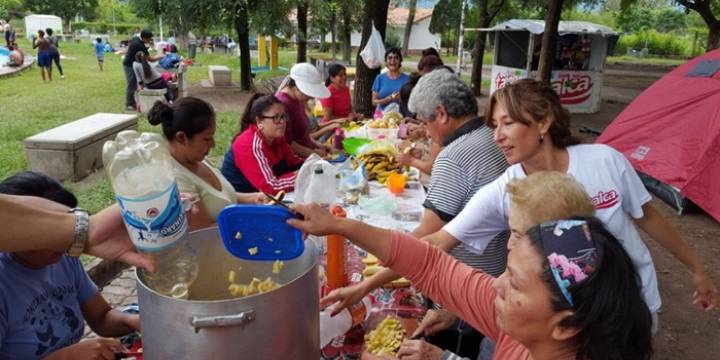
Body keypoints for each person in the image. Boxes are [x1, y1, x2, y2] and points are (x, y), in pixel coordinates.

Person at [422, 79, 718, 324]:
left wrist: (697, 269)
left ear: (544, 122)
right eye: (494, 125)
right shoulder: (506, 189)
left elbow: (647, 217)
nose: (497, 136)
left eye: (508, 123)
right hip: (568, 323)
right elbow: (437, 242)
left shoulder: (605, 160)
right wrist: (381, 257)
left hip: (632, 305)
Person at [289, 171, 653, 360]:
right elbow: (432, 264)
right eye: (508, 271)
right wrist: (338, 225)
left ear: (564, 324)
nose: (496, 283)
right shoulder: (525, 328)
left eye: (514, 282)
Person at [322, 69, 509, 359]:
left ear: (442, 113)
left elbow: (423, 244)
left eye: (424, 122)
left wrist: (365, 285)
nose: (426, 131)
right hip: (494, 286)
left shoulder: (455, 156)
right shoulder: (492, 137)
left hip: (466, 294)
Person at [0, 172, 141, 359]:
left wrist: (136, 322)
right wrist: (68, 357)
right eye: (54, 234)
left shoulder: (65, 257)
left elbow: (101, 317)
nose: (66, 244)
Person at [147, 98, 265, 230]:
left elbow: (217, 199)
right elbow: (204, 231)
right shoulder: (175, 179)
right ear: (181, 138)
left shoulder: (193, 157)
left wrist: (253, 198)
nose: (213, 144)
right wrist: (255, 220)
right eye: (207, 138)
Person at [221, 94, 305, 194]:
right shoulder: (250, 145)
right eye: (276, 118)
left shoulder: (277, 137)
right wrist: (302, 176)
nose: (282, 122)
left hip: (263, 198)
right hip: (244, 203)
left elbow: (293, 163)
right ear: (259, 121)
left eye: (283, 116)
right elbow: (270, 187)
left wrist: (315, 165)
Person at [276, 62, 333, 158]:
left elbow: (303, 134)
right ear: (296, 88)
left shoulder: (298, 99)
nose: (311, 97)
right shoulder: (283, 104)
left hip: (308, 153)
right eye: (309, 93)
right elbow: (288, 143)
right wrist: (313, 154)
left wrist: (319, 145)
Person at [123, 29, 163, 111]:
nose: (150, 40)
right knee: (131, 84)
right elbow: (151, 59)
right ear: (144, 38)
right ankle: (129, 104)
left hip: (133, 63)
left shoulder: (136, 39)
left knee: (136, 84)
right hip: (129, 65)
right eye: (149, 39)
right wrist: (160, 56)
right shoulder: (140, 46)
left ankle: (134, 103)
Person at [371, 47, 409, 115]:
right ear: (386, 61)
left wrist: (402, 98)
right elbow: (374, 102)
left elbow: (412, 102)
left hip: (402, 118)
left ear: (400, 61)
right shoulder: (379, 78)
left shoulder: (407, 79)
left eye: (396, 58)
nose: (393, 60)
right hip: (381, 119)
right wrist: (387, 100)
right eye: (390, 58)